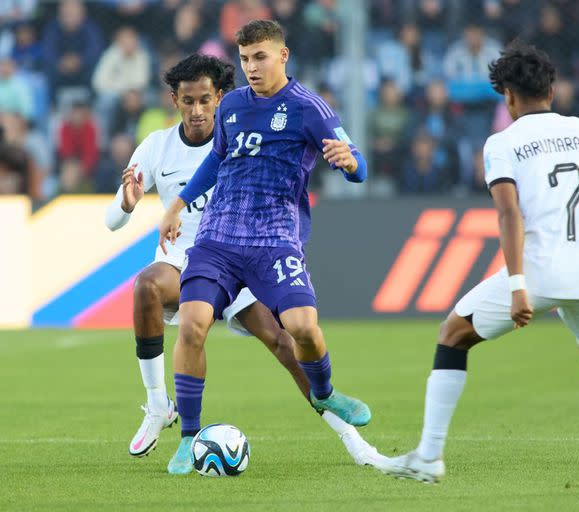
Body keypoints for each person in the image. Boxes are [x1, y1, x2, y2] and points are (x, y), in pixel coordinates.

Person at [374, 41, 579, 495]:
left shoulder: (503, 142)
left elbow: (509, 215)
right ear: (553, 90)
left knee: (453, 334)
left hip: (539, 273)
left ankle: (428, 454)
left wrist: (518, 285)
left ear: (509, 97)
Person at [105, 53, 378, 468]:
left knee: (285, 343)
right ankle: (160, 405)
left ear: (219, 98)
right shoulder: (157, 147)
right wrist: (127, 204)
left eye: (204, 101)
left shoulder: (244, 126)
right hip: (191, 258)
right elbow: (112, 220)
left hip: (246, 251)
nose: (197, 110)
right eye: (187, 101)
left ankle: (353, 440)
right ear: (174, 101)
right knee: (148, 286)